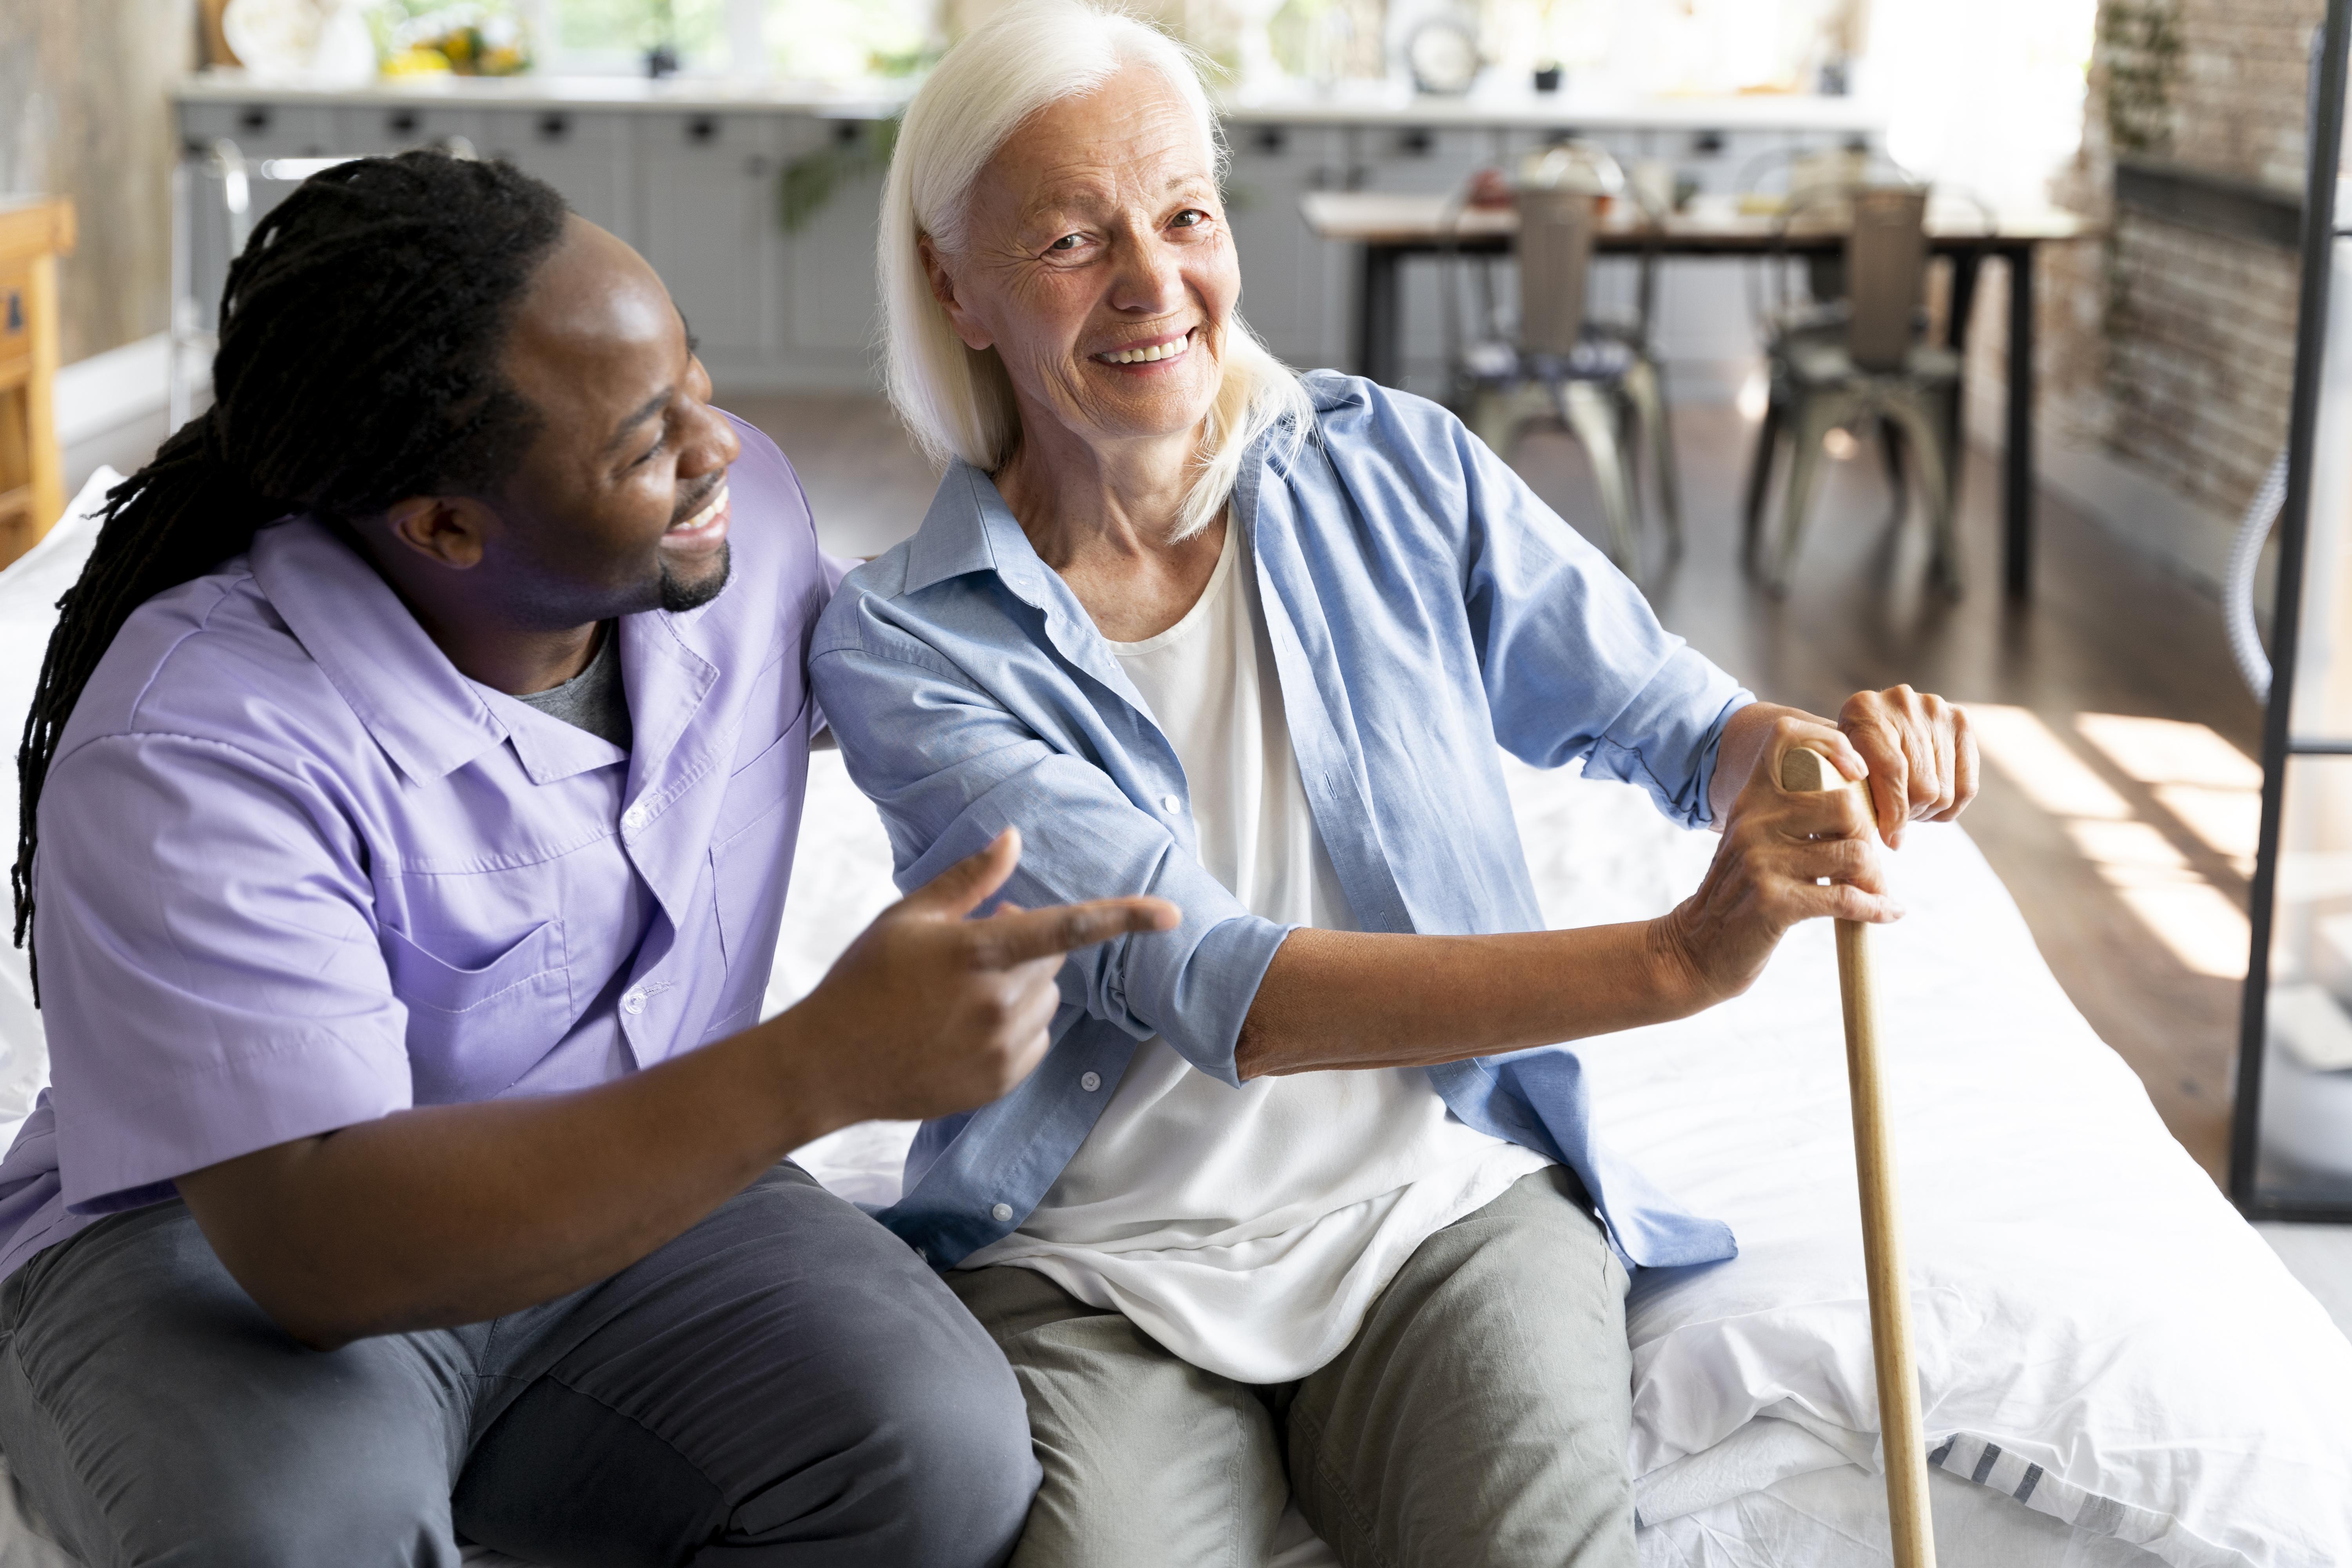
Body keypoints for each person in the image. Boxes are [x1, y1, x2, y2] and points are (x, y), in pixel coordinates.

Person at [810, 5, 1980, 1565]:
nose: (1154, 283)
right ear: (955, 283)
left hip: (1441, 1206)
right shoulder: (905, 641)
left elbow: (1675, 720)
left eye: (1184, 217)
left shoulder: (1395, 471)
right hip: (1099, 1268)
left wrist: (1824, 756)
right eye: (1076, 242)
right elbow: (1210, 977)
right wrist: (1672, 961)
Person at [0, 151, 1177, 1567]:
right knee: (304, 1544)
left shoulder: (730, 533)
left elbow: (921, 660)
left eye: (696, 376)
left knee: (936, 1456)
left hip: (649, 1183)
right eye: (644, 440)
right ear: (443, 525)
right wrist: (822, 1064)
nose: (719, 444)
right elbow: (315, 1250)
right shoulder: (195, 743)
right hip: (230, 1254)